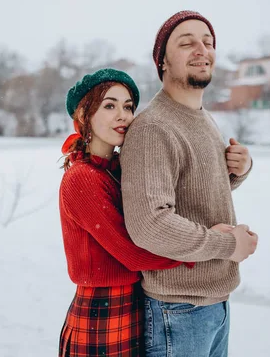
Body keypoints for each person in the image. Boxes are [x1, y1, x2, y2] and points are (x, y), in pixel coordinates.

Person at [120, 11, 259, 356]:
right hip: (178, 312)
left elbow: (192, 191)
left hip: (213, 304)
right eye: (187, 43)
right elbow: (150, 225)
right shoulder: (154, 128)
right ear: (163, 62)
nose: (202, 49)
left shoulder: (203, 119)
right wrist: (229, 246)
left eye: (208, 42)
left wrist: (236, 172)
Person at [58, 68, 194, 357]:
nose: (123, 115)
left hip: (133, 306)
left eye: (128, 106)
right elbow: (131, 252)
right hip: (101, 314)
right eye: (109, 105)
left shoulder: (118, 169)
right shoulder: (82, 177)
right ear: (84, 115)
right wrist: (198, 250)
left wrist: (233, 170)